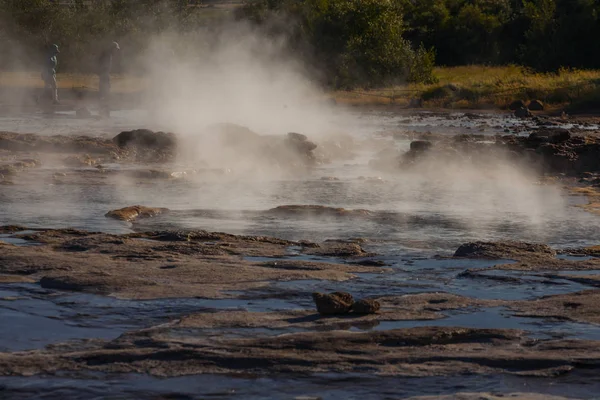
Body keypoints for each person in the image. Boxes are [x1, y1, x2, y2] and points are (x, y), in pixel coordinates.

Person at [97, 41, 120, 115]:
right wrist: (106, 77)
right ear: (112, 48)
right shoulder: (107, 55)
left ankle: (104, 110)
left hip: (104, 75)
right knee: (105, 93)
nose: (116, 51)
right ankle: (104, 111)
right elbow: (104, 67)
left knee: (104, 93)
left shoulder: (107, 54)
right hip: (104, 76)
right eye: (115, 49)